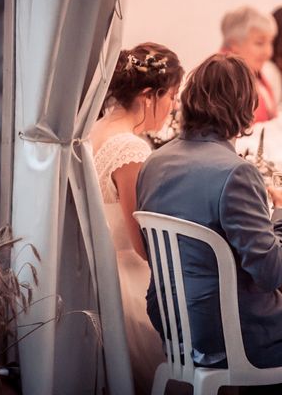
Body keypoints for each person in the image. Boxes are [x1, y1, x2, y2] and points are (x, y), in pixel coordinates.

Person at [137, 53, 282, 395]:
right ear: (244, 107)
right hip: (227, 330)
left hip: (173, 325)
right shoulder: (235, 171)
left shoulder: (154, 163)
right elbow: (271, 272)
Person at [90, 42, 184, 393]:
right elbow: (143, 244)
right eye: (171, 96)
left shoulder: (96, 128)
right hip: (128, 280)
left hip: (100, 271)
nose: (173, 107)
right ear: (148, 96)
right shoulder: (130, 148)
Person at [221, 5, 278, 123]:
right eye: (259, 43)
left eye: (270, 42)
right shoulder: (224, 79)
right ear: (234, 44)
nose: (268, 52)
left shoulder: (253, 71)